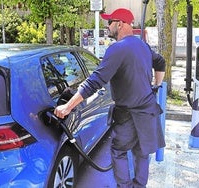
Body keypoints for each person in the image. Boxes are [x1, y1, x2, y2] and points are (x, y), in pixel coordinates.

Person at [54, 8, 166, 188]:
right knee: (142, 153)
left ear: (120, 24)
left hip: (128, 116)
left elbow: (94, 81)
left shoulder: (117, 49)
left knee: (119, 151)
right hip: (148, 112)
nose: (107, 27)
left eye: (109, 22)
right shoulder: (142, 46)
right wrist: (156, 85)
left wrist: (67, 106)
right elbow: (160, 61)